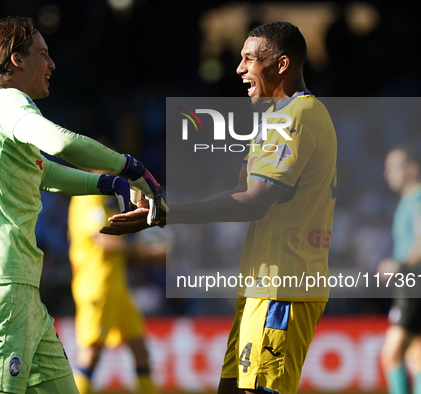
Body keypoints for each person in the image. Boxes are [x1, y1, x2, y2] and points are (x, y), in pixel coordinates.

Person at [103, 22, 337, 394]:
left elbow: (254, 201)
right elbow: (243, 188)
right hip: (263, 284)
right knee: (231, 388)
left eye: (249, 59)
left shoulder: (296, 118)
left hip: (283, 286)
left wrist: (166, 214)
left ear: (281, 65)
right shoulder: (276, 118)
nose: (240, 69)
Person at [0, 16, 165, 394]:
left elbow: (44, 171)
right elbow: (60, 144)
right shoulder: (10, 102)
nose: (52, 64)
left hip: (10, 283)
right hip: (1, 281)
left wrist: (110, 182)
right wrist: (131, 167)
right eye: (43, 55)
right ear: (16, 59)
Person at [69, 181, 162, 394]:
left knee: (140, 350)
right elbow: (102, 239)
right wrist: (144, 252)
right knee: (91, 352)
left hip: (117, 288)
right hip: (97, 286)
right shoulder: (88, 197)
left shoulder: (105, 199)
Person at [379, 145, 421, 394]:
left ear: (412, 168)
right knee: (420, 360)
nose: (387, 173)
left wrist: (397, 265)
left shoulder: (419, 201)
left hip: (416, 285)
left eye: (393, 167)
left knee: (392, 356)